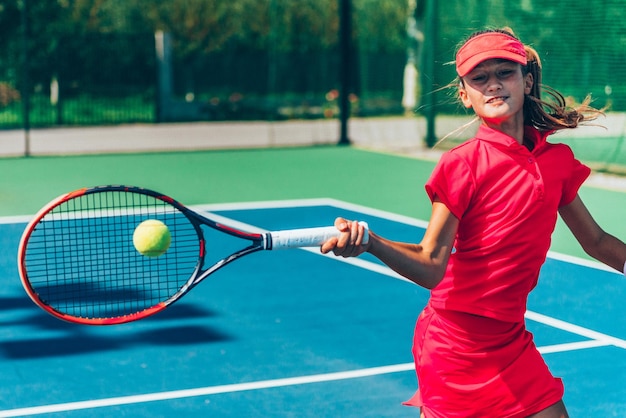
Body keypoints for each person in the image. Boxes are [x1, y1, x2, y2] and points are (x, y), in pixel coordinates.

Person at [321, 27, 626, 418]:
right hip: (454, 347)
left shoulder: (557, 163)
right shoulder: (462, 164)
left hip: (511, 341)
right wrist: (371, 243)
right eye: (480, 78)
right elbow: (431, 264)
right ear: (465, 95)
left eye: (505, 73)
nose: (494, 85)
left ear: (527, 81)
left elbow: (597, 241)